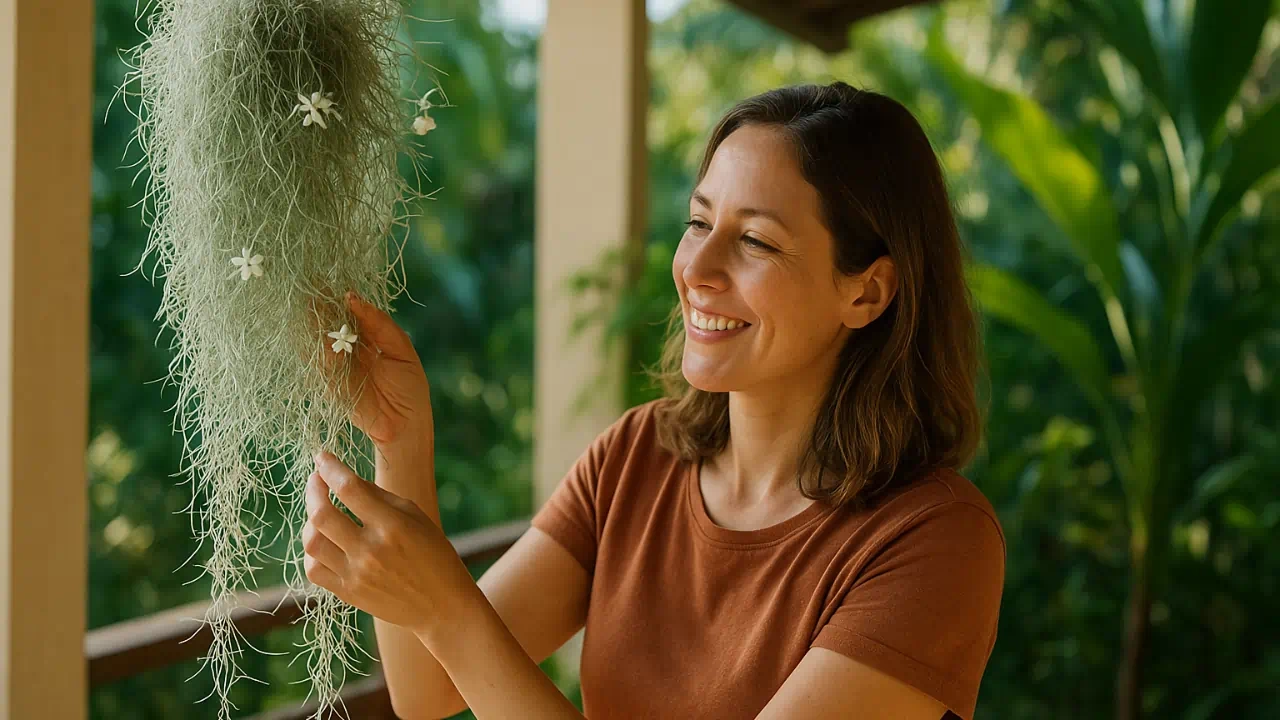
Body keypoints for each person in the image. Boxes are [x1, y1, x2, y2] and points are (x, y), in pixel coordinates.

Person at [303, 81, 1006, 720]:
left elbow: (454, 633)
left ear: (867, 291)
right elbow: (428, 688)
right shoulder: (637, 456)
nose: (695, 269)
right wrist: (398, 439)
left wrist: (451, 608)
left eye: (755, 241)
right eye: (698, 223)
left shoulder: (933, 541)